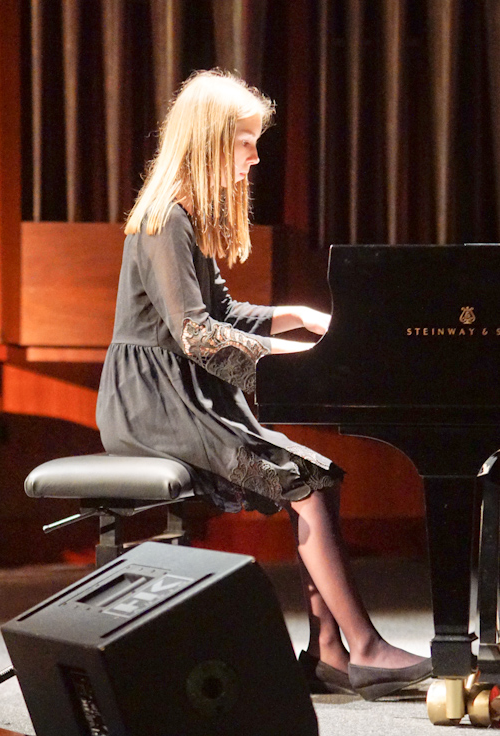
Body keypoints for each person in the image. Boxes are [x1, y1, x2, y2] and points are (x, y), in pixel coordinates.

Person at [96, 68, 432, 701]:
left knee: (320, 477)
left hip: (179, 395)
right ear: (209, 140)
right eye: (245, 143)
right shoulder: (165, 219)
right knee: (303, 484)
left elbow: (224, 313)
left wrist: (299, 317)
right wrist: (297, 353)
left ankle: (330, 653)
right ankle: (363, 649)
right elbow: (197, 334)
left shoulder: (185, 217)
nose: (254, 158)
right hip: (154, 405)